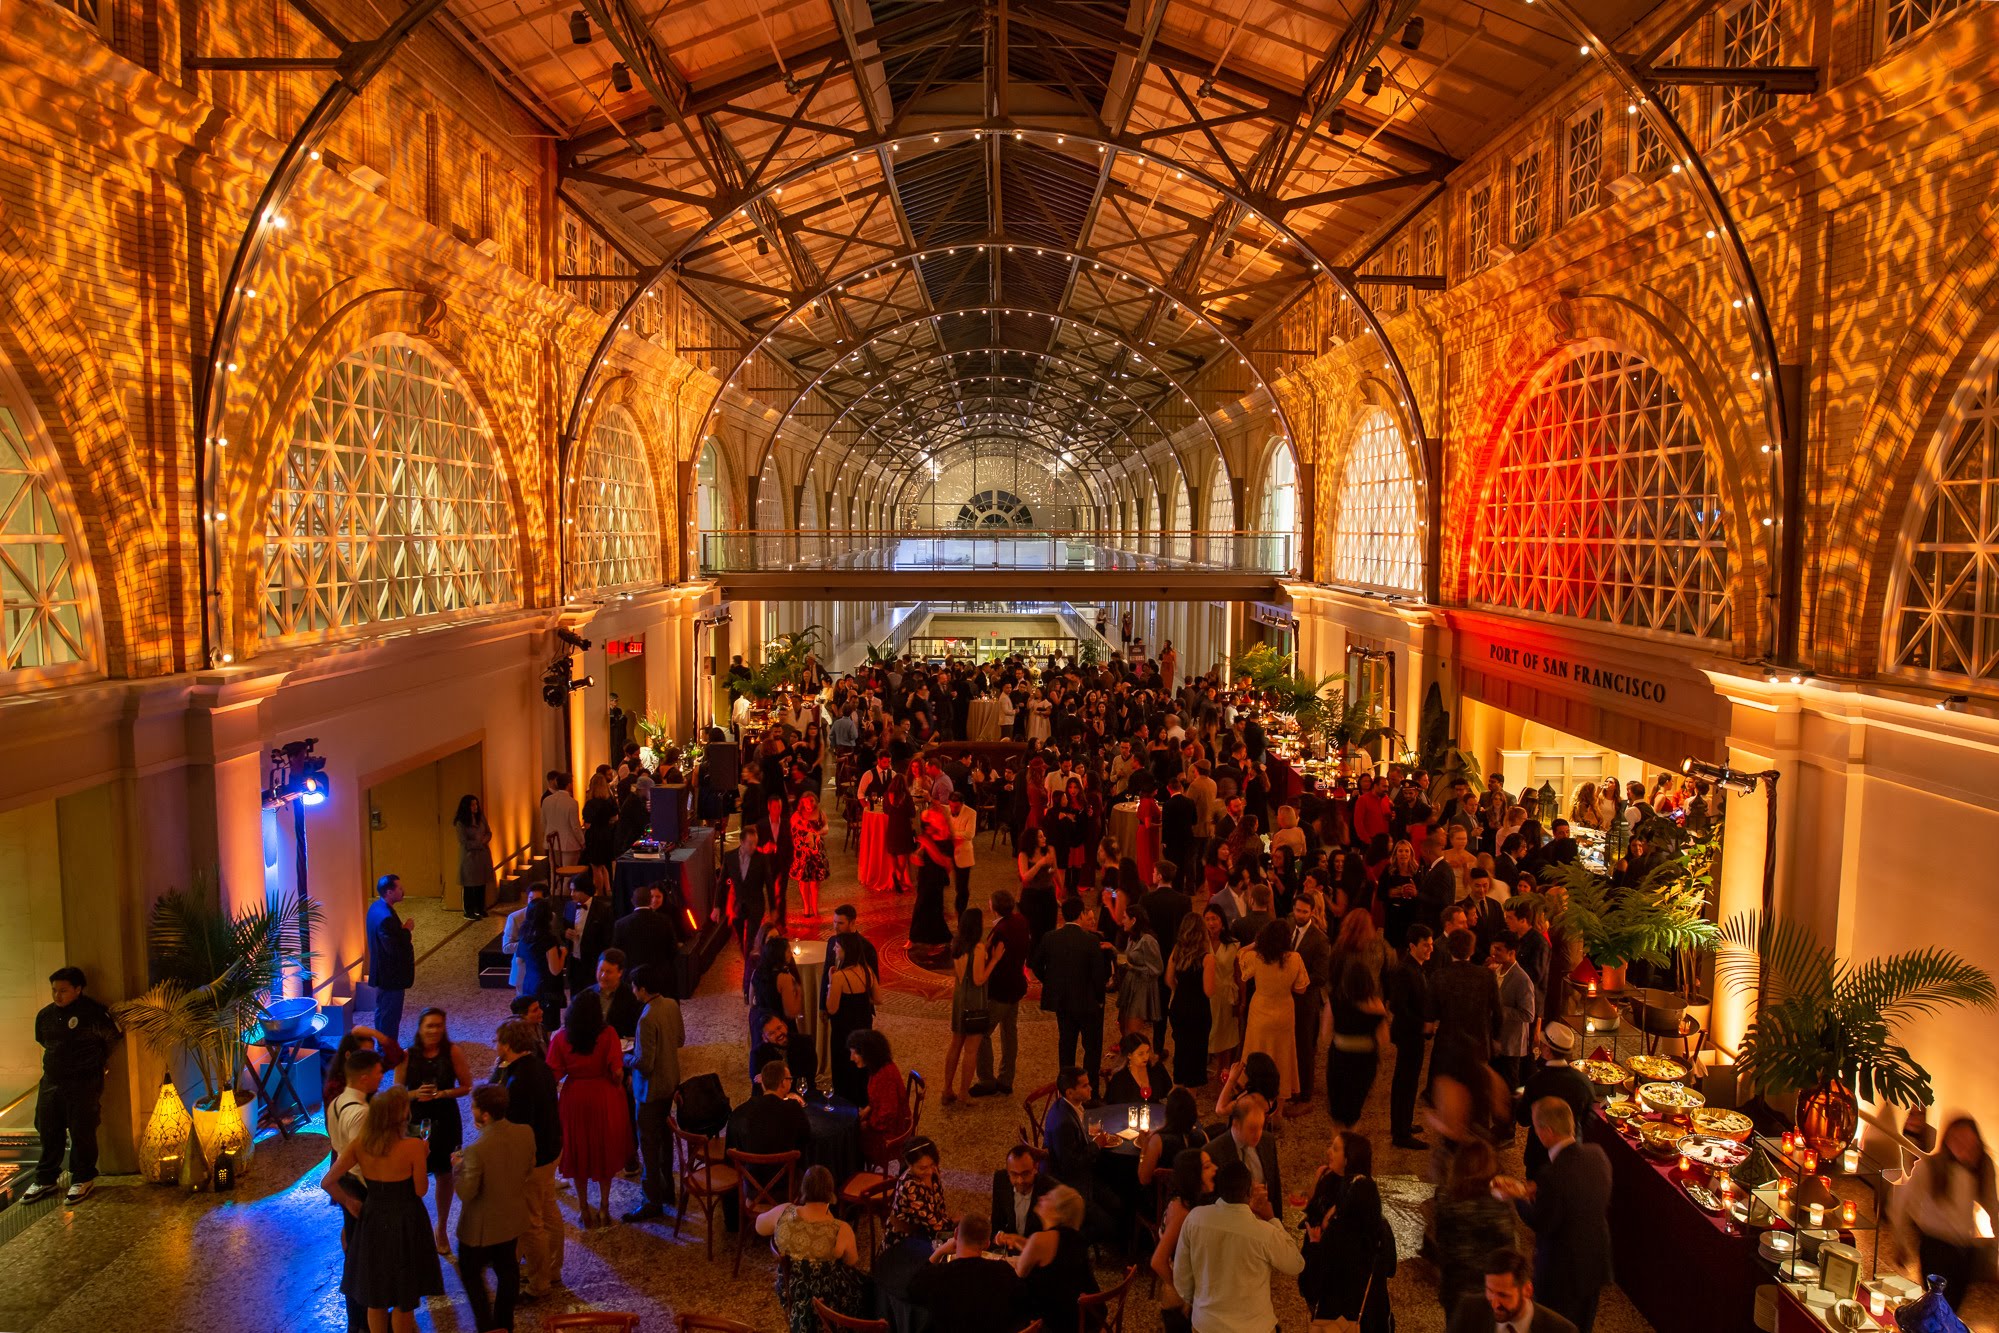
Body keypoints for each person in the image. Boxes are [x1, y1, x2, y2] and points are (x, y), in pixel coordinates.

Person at [320, 1087, 445, 1332]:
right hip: (406, 1219)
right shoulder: (413, 1147)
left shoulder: (360, 1144)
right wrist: (424, 1155)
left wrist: (350, 1202)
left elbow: (327, 1182)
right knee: (403, 1299)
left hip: (374, 1219)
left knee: (375, 1298)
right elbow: (420, 1190)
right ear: (401, 1116)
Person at [1492, 1097, 1613, 1333]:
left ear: (1546, 1131)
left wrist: (1518, 1197)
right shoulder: (1597, 1154)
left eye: (1536, 1128)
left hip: (1562, 1271)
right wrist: (1537, 1190)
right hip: (1595, 1261)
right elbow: (1581, 1195)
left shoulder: (1552, 1174)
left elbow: (1541, 1221)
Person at [22, 967, 120, 1208]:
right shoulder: (45, 1016)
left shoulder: (94, 1013)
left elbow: (112, 1039)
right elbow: (43, 1041)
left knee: (82, 1129)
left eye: (63, 990)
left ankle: (83, 1176)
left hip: (83, 1081)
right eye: (54, 990)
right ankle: (46, 1177)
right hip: (52, 1081)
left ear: (78, 989)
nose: (58, 995)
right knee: (48, 1127)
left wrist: (96, 1063)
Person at [1172, 1159, 1304, 1333]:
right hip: (1254, 1327)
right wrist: (1272, 1219)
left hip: (1206, 1325)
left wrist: (1201, 1304)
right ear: (1249, 1192)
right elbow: (1295, 1263)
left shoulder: (1195, 1219)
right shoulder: (1263, 1233)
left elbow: (1181, 1277)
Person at [546, 985, 633, 1230]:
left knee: (579, 1153)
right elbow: (616, 1073)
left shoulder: (562, 1037)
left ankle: (584, 1209)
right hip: (604, 1096)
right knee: (604, 1152)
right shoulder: (608, 1034)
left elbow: (553, 1074)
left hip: (574, 1098)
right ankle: (604, 1207)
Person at [454, 1083, 534, 1333]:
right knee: (507, 1269)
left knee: (470, 1273)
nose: (472, 1111)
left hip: (481, 1228)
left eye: (474, 1107)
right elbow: (528, 1169)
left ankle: (486, 1325)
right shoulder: (525, 1133)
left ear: (485, 1115)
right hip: (511, 1219)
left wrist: (459, 1168)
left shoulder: (476, 1150)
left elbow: (467, 1193)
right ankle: (504, 1323)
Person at [1899, 1116, 1999, 1310]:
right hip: (1935, 1246)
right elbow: (1903, 1203)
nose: (1964, 1147)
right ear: (1948, 1141)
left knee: (1953, 1308)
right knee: (1936, 1305)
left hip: (1964, 1251)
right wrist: (1900, 1241)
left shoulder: (1983, 1167)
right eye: (1958, 1140)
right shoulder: (1931, 1166)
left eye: (1969, 1142)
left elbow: (1992, 1207)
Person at [495, 1020, 564, 1297]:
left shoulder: (517, 1080)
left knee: (531, 1223)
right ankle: (553, 1268)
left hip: (532, 1161)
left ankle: (539, 1282)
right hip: (552, 1150)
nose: (495, 1045)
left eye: (498, 1041)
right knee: (549, 1210)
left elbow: (517, 1128)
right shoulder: (540, 1066)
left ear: (508, 1045)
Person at [1301, 1130, 1394, 1333]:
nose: (1329, 1152)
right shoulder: (1370, 1208)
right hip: (1367, 1312)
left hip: (1337, 1313)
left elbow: (1310, 1283)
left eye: (1335, 1148)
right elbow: (1390, 1267)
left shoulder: (1343, 1230)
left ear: (1349, 1158)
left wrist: (1317, 1245)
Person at [757, 1165, 867, 1333]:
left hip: (791, 1288)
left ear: (803, 1190)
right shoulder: (840, 1229)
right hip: (827, 1298)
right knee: (864, 1287)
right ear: (830, 1194)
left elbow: (759, 1226)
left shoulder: (785, 1211)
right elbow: (852, 1261)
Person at [400, 1008, 471, 1255]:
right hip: (417, 1120)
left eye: (439, 1025)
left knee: (445, 1173)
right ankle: (415, 1228)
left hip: (446, 1118)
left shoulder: (452, 1052)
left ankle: (441, 1227)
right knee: (412, 1175)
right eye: (430, 1026)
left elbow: (467, 1086)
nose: (434, 1030)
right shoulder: (407, 1055)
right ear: (420, 1028)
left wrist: (443, 1094)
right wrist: (415, 1095)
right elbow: (397, 1092)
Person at [623, 963, 684, 1222]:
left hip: (650, 1090)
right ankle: (668, 1190)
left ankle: (652, 1200)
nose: (633, 991)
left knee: (648, 1145)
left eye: (634, 987)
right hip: (670, 1083)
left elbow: (645, 1064)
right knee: (665, 1141)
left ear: (643, 989)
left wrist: (625, 1058)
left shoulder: (646, 1017)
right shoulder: (671, 1004)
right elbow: (680, 1040)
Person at [1031, 896, 1112, 1080]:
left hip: (1063, 1001)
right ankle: (1090, 1089)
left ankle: (1066, 1086)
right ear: (1081, 914)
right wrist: (1100, 999)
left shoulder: (1050, 937)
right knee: (1091, 1047)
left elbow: (1036, 965)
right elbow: (1098, 976)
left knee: (1066, 1044)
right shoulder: (1090, 940)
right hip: (1088, 1001)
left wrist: (1051, 982)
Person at [1435, 1138, 1518, 1317]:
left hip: (1455, 1289)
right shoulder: (1497, 1207)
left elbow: (1441, 1241)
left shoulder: (1444, 1199)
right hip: (1489, 1292)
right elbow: (1509, 1253)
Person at [911, 1212, 1020, 1333]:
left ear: (956, 1234)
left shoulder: (938, 1274)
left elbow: (912, 1290)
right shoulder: (1003, 1271)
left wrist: (940, 1251)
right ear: (987, 1243)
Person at [1240, 918, 1310, 1103]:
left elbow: (1240, 956)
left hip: (1260, 1010)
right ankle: (1278, 1108)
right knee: (1282, 1055)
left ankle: (1255, 1098)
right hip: (1284, 1011)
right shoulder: (1295, 959)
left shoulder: (1257, 957)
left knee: (1257, 1050)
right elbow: (1301, 988)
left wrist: (1255, 944)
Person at [1014, 1184, 1099, 1333]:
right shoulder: (1076, 1238)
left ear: (1058, 1212)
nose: (1041, 1197)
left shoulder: (1039, 1239)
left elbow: (1019, 1274)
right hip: (1086, 1318)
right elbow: (1052, 1261)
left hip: (1053, 1324)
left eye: (1048, 1197)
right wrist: (1020, 1242)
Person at [972, 887, 1032, 1097]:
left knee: (982, 1033)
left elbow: (990, 962)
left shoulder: (1000, 932)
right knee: (1009, 1033)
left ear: (994, 908)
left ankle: (987, 1080)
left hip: (1000, 991)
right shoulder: (1020, 921)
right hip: (1016, 986)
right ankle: (1006, 1079)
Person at [1151, 1147, 1216, 1333]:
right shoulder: (1181, 1210)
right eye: (1207, 1166)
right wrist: (1184, 1295)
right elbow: (1158, 1261)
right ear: (1193, 1175)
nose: (1215, 1169)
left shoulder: (1190, 1203)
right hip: (1179, 1305)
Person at [1385, 924, 1438, 1149]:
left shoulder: (1416, 968)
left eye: (1431, 944)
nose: (1430, 949)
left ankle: (1403, 1123)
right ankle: (1401, 1134)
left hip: (1412, 1033)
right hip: (1409, 1034)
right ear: (1412, 946)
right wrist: (1423, 1025)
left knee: (1406, 1082)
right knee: (1405, 1083)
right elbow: (1398, 1006)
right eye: (1425, 945)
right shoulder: (1406, 970)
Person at [1445, 1248, 1579, 1333]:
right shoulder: (1469, 1310)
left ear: (1527, 1290)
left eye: (1503, 1295)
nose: (1494, 1304)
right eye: (1490, 1291)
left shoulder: (1562, 1330)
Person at [944, 907, 998, 1104]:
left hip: (959, 998)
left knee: (955, 1045)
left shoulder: (956, 944)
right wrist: (993, 960)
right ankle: (963, 1094)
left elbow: (961, 974)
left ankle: (947, 1089)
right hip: (974, 1000)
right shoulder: (978, 950)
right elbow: (978, 979)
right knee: (971, 1050)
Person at [1042, 1066, 1117, 1202]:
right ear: (1070, 1092)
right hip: (1073, 1187)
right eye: (1085, 1086)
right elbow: (1071, 1165)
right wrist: (1097, 1145)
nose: (1091, 1088)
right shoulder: (1064, 1123)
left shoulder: (1066, 1105)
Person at [1289, 893, 1333, 1110]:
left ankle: (1305, 1092)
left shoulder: (1320, 939)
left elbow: (1322, 975)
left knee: (1305, 1046)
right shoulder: (1289, 928)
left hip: (1306, 1001)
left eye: (1304, 912)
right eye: (1297, 910)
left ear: (1313, 912)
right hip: (1288, 998)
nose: (1299, 915)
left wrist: (1300, 982)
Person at [824, 935, 880, 1104]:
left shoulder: (840, 977)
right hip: (863, 1029)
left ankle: (845, 1106)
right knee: (861, 1069)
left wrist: (830, 983)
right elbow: (878, 998)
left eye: (837, 947)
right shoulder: (867, 970)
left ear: (847, 951)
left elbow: (831, 1008)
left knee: (844, 1070)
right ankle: (863, 1102)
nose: (834, 949)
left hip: (844, 1033)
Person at [1205, 1097, 1283, 1206]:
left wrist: (1276, 1220)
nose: (1258, 1134)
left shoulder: (1267, 1140)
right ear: (1236, 1124)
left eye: (1261, 1127)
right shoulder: (1212, 1153)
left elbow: (1275, 1186)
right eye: (1252, 1129)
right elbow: (1207, 1200)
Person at [850, 1029, 912, 1167]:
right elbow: (880, 1099)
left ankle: (856, 1174)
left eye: (854, 1053)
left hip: (891, 1133)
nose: (851, 1058)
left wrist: (868, 1125)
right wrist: (868, 1108)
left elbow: (887, 1115)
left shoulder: (884, 1076)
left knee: (851, 1137)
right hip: (890, 1122)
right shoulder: (879, 1067)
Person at [366, 874, 416, 1043]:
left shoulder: (375, 908)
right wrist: (407, 930)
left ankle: (383, 1046)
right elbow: (394, 948)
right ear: (389, 892)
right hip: (391, 976)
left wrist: (400, 931)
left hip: (382, 973)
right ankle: (387, 1052)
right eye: (399, 888)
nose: (403, 891)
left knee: (382, 1012)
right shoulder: (386, 917)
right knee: (390, 1016)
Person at [1165, 914, 1213, 1088]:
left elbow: (1169, 979)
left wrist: (1181, 990)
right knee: (1197, 1053)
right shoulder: (1207, 958)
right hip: (1198, 1009)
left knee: (1181, 1050)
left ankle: (1177, 1087)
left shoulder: (1177, 951)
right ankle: (1191, 1099)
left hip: (1179, 1005)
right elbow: (1208, 991)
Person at [1490, 934, 1538, 1095]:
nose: (1493, 952)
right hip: (1495, 1041)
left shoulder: (1522, 979)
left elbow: (1528, 1014)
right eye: (1493, 948)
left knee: (1508, 1090)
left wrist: (1498, 1009)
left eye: (1498, 949)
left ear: (1511, 953)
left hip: (1511, 1045)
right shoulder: (1496, 971)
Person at [515, 898, 568, 1033]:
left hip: (529, 983)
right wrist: (563, 954)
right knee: (546, 1026)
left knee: (531, 1022)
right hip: (546, 987)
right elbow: (555, 970)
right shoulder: (548, 939)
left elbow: (519, 961)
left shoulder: (524, 936)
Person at [991, 1142, 1056, 1250]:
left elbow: (1053, 1239)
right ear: (1008, 1171)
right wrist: (999, 1237)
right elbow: (997, 1223)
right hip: (1009, 1251)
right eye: (1014, 1174)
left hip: (1037, 1253)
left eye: (1025, 1174)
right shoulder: (1000, 1180)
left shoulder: (1050, 1189)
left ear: (1035, 1167)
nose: (1020, 1181)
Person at [723, 824, 776, 954]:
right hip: (738, 906)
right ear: (742, 842)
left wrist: (773, 907)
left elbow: (769, 884)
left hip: (755, 905)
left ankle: (748, 965)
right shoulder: (730, 857)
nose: (753, 846)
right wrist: (717, 907)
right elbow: (721, 884)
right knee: (741, 939)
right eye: (750, 843)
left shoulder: (762, 859)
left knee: (751, 940)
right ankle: (745, 953)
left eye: (755, 843)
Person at [886, 1137, 952, 1242]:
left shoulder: (933, 1171)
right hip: (908, 1239)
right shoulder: (910, 1187)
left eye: (932, 1164)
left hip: (929, 1229)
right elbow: (935, 1228)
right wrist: (957, 1225)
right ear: (909, 1164)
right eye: (923, 1168)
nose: (930, 1171)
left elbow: (939, 1208)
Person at [1117, 900, 1166, 1038]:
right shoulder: (1132, 938)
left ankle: (1141, 1058)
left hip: (1141, 989)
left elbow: (1157, 969)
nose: (1122, 921)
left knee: (1133, 1033)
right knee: (1124, 1028)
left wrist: (1133, 968)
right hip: (1131, 985)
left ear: (1134, 920)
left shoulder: (1148, 941)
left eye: (1125, 918)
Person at [613, 882, 679, 981]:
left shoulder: (620, 924)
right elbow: (673, 949)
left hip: (631, 976)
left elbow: (617, 953)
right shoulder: (665, 920)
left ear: (632, 901)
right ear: (649, 900)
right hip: (659, 974)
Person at [574, 948, 642, 1041]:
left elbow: (636, 1030)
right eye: (601, 970)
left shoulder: (632, 996)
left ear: (620, 972)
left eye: (608, 972)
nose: (603, 976)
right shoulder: (584, 996)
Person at [1205, 906, 1242, 1076]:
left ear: (1222, 921)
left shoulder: (1233, 945)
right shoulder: (1201, 943)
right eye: (1208, 919)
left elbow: (1239, 975)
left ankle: (1224, 1067)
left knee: (1226, 1032)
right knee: (1209, 1029)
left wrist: (1242, 1000)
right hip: (1207, 994)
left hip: (1227, 994)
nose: (1211, 923)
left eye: (1214, 919)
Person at [562, 875, 613, 995]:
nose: (571, 894)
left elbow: (608, 938)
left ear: (586, 890)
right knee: (574, 997)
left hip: (592, 963)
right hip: (573, 962)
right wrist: (565, 932)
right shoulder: (569, 906)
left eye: (575, 890)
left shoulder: (603, 909)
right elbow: (562, 927)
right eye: (571, 890)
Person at [454, 794, 496, 920]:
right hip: (469, 856)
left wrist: (484, 840)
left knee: (481, 883)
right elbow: (463, 841)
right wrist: (479, 843)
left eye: (476, 804)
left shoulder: (480, 818)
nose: (475, 807)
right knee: (469, 884)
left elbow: (489, 832)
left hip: (482, 855)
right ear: (467, 806)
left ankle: (480, 908)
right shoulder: (461, 822)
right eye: (472, 804)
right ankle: (469, 910)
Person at [581, 772, 620, 895]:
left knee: (596, 867)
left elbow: (587, 824)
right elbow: (615, 818)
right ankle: (608, 889)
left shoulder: (591, 804)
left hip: (594, 836)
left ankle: (599, 892)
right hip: (607, 835)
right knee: (605, 864)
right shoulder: (610, 801)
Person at [791, 789, 828, 918]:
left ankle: (814, 906)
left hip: (816, 851)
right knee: (803, 880)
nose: (810, 804)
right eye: (807, 802)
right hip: (802, 853)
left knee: (815, 881)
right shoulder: (797, 815)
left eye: (812, 801)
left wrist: (817, 834)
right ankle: (806, 907)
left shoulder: (820, 813)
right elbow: (791, 830)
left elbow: (826, 828)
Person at [541, 771, 584, 865]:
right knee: (568, 872)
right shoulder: (571, 803)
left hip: (551, 842)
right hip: (569, 843)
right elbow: (575, 827)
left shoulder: (546, 800)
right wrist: (582, 842)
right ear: (569, 785)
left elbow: (543, 822)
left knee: (554, 871)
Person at [947, 791, 979, 917]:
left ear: (962, 804)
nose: (953, 809)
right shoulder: (946, 810)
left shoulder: (971, 813)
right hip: (948, 852)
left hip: (964, 855)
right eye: (951, 806)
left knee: (962, 888)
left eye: (956, 807)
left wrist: (951, 834)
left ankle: (960, 913)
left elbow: (970, 834)